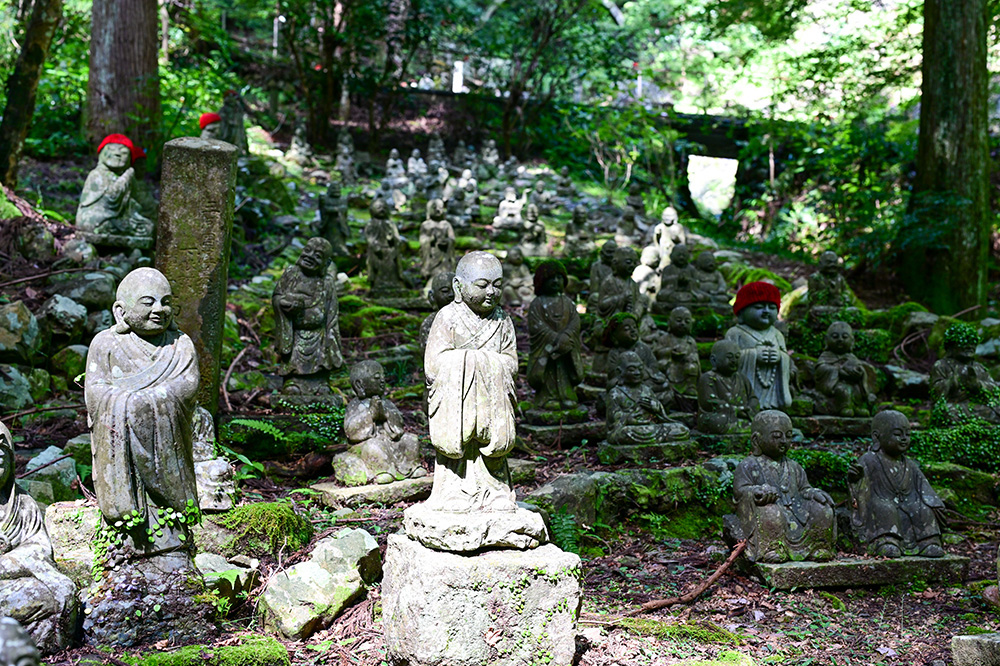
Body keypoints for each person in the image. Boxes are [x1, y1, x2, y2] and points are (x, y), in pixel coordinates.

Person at [85, 268, 200, 561]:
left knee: (171, 526)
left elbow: (187, 388)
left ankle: (173, 540)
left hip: (168, 447)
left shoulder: (180, 344)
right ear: (120, 311)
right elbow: (95, 392)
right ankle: (126, 537)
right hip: (121, 449)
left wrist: (143, 402)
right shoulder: (105, 344)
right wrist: (125, 403)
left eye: (166, 301)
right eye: (148, 302)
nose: (159, 309)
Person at [423, 252, 518, 514]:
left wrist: (489, 367)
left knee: (494, 449)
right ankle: (453, 490)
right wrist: (471, 362)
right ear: (458, 286)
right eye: (482, 284)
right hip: (459, 408)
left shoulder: (502, 320)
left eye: (497, 285)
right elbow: (433, 365)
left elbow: (511, 363)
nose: (491, 292)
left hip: (492, 405)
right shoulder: (447, 317)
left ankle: (497, 490)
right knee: (459, 450)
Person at [0, 424, 77, 654]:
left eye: (2, 452)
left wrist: (7, 563)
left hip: (11, 585)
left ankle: (30, 645)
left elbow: (40, 548)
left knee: (62, 591)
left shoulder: (23, 503)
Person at [734, 410, 836, 563]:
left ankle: (817, 546)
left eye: (788, 436)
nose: (783, 440)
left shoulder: (794, 467)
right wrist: (757, 491)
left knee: (822, 509)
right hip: (771, 512)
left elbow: (804, 489)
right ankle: (772, 548)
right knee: (770, 512)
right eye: (776, 436)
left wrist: (812, 493)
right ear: (756, 440)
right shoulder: (748, 465)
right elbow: (740, 492)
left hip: (796, 512)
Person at [849, 410, 946, 558]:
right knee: (884, 508)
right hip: (882, 500)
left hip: (908, 501)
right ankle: (887, 542)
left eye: (907, 434)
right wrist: (856, 478)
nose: (904, 438)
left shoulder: (909, 464)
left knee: (923, 508)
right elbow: (861, 485)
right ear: (877, 436)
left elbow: (924, 487)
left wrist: (934, 502)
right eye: (898, 434)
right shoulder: (869, 459)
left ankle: (928, 542)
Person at [334, 361, 426, 486]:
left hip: (391, 440)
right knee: (373, 446)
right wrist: (370, 414)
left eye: (383, 377)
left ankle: (412, 467)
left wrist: (386, 414)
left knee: (411, 440)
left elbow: (399, 424)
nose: (382, 380)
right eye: (377, 378)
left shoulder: (386, 402)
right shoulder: (355, 405)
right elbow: (350, 430)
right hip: (368, 442)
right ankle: (382, 471)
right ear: (359, 385)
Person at [272, 238, 343, 395]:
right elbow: (277, 297)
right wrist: (284, 303)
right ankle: (293, 382)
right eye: (308, 250)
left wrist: (331, 342)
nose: (310, 256)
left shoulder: (327, 282)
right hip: (296, 334)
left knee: (322, 379)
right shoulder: (291, 274)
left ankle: (320, 382)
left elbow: (332, 314)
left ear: (326, 262)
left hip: (319, 335)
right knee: (293, 375)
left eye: (318, 255)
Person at [725, 281, 794, 410]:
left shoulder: (777, 335)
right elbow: (726, 360)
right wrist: (753, 355)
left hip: (772, 388)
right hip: (745, 388)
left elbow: (786, 358)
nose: (766, 311)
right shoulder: (735, 333)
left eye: (772, 307)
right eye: (759, 307)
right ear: (741, 313)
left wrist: (780, 357)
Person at [76, 134, 154, 246]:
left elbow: (136, 202)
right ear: (101, 153)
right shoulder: (96, 174)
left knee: (148, 227)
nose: (117, 154)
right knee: (97, 225)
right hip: (96, 219)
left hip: (118, 218)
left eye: (123, 152)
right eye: (111, 149)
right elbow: (111, 199)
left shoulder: (125, 177)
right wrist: (127, 176)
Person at [526, 261, 583, 410]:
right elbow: (536, 325)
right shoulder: (537, 304)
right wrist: (555, 338)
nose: (556, 281)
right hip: (547, 348)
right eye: (551, 278)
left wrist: (567, 336)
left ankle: (567, 395)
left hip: (565, 348)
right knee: (549, 370)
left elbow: (575, 322)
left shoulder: (569, 303)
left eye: (559, 277)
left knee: (564, 370)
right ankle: (547, 397)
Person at [697, 340, 759, 434]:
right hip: (722, 417)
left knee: (762, 419)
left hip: (742, 416)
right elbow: (708, 402)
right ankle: (744, 427)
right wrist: (736, 410)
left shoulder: (742, 378)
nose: (734, 360)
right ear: (714, 360)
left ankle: (743, 426)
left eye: (737, 357)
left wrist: (750, 408)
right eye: (729, 357)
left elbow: (753, 398)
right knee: (716, 421)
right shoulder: (708, 378)